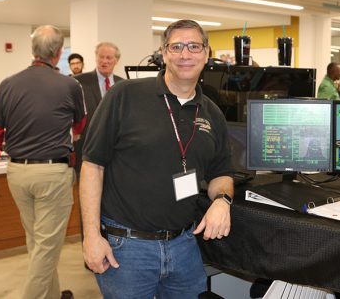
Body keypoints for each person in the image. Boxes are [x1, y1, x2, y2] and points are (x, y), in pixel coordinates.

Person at [80, 19, 234, 298]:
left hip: (184, 245)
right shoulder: (124, 95)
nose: (185, 54)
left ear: (206, 53)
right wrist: (91, 236)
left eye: (194, 46)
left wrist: (222, 201)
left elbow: (221, 173)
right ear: (164, 54)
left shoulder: (211, 113)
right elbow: (92, 166)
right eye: (176, 46)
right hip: (126, 249)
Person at [0, 25, 86, 299]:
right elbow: (80, 127)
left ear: (32, 50)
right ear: (59, 53)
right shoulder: (70, 85)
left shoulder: (7, 84)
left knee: (37, 241)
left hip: (16, 174)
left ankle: (53, 295)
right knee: (46, 247)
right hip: (51, 174)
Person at [73, 42, 123, 176]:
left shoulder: (123, 85)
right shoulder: (78, 82)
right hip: (86, 147)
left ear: (116, 60)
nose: (104, 61)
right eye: (101, 57)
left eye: (109, 58)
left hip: (115, 150)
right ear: (96, 58)